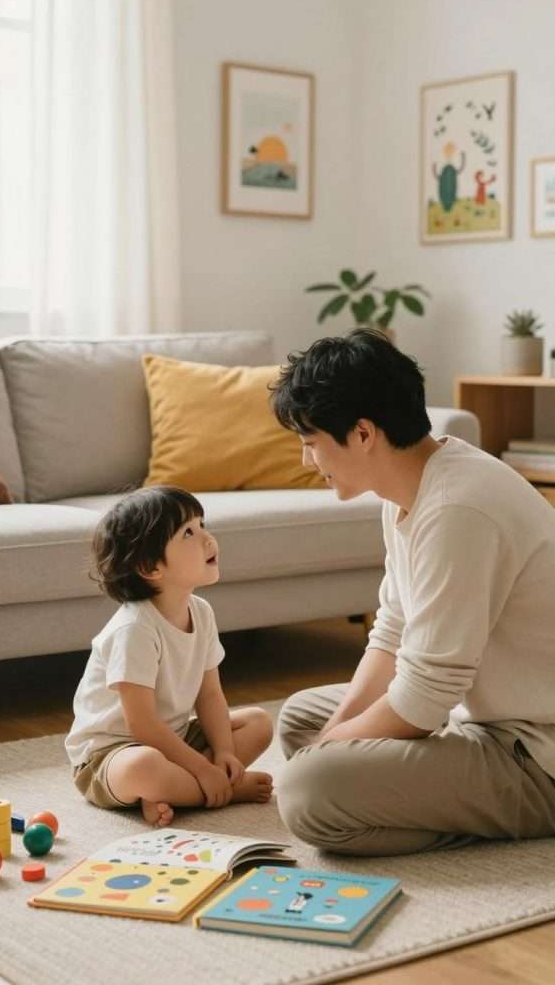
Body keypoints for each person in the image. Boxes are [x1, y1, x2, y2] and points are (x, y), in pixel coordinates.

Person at [270, 327, 555, 857]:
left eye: (311, 444)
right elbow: (393, 631)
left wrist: (330, 753)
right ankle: (424, 799)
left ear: (362, 433)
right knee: (300, 721)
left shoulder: (458, 510)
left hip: (535, 751)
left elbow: (425, 695)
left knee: (307, 789)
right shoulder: (408, 487)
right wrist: (333, 734)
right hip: (475, 716)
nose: (308, 461)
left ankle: (489, 822)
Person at [65, 486, 273, 827]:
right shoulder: (134, 628)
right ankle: (220, 791)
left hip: (173, 739)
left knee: (258, 723)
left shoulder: (201, 612)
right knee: (143, 766)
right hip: (111, 756)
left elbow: (209, 695)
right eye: (189, 533)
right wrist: (204, 768)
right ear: (150, 567)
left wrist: (223, 752)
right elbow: (142, 725)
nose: (208, 538)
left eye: (202, 524)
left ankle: (177, 791)